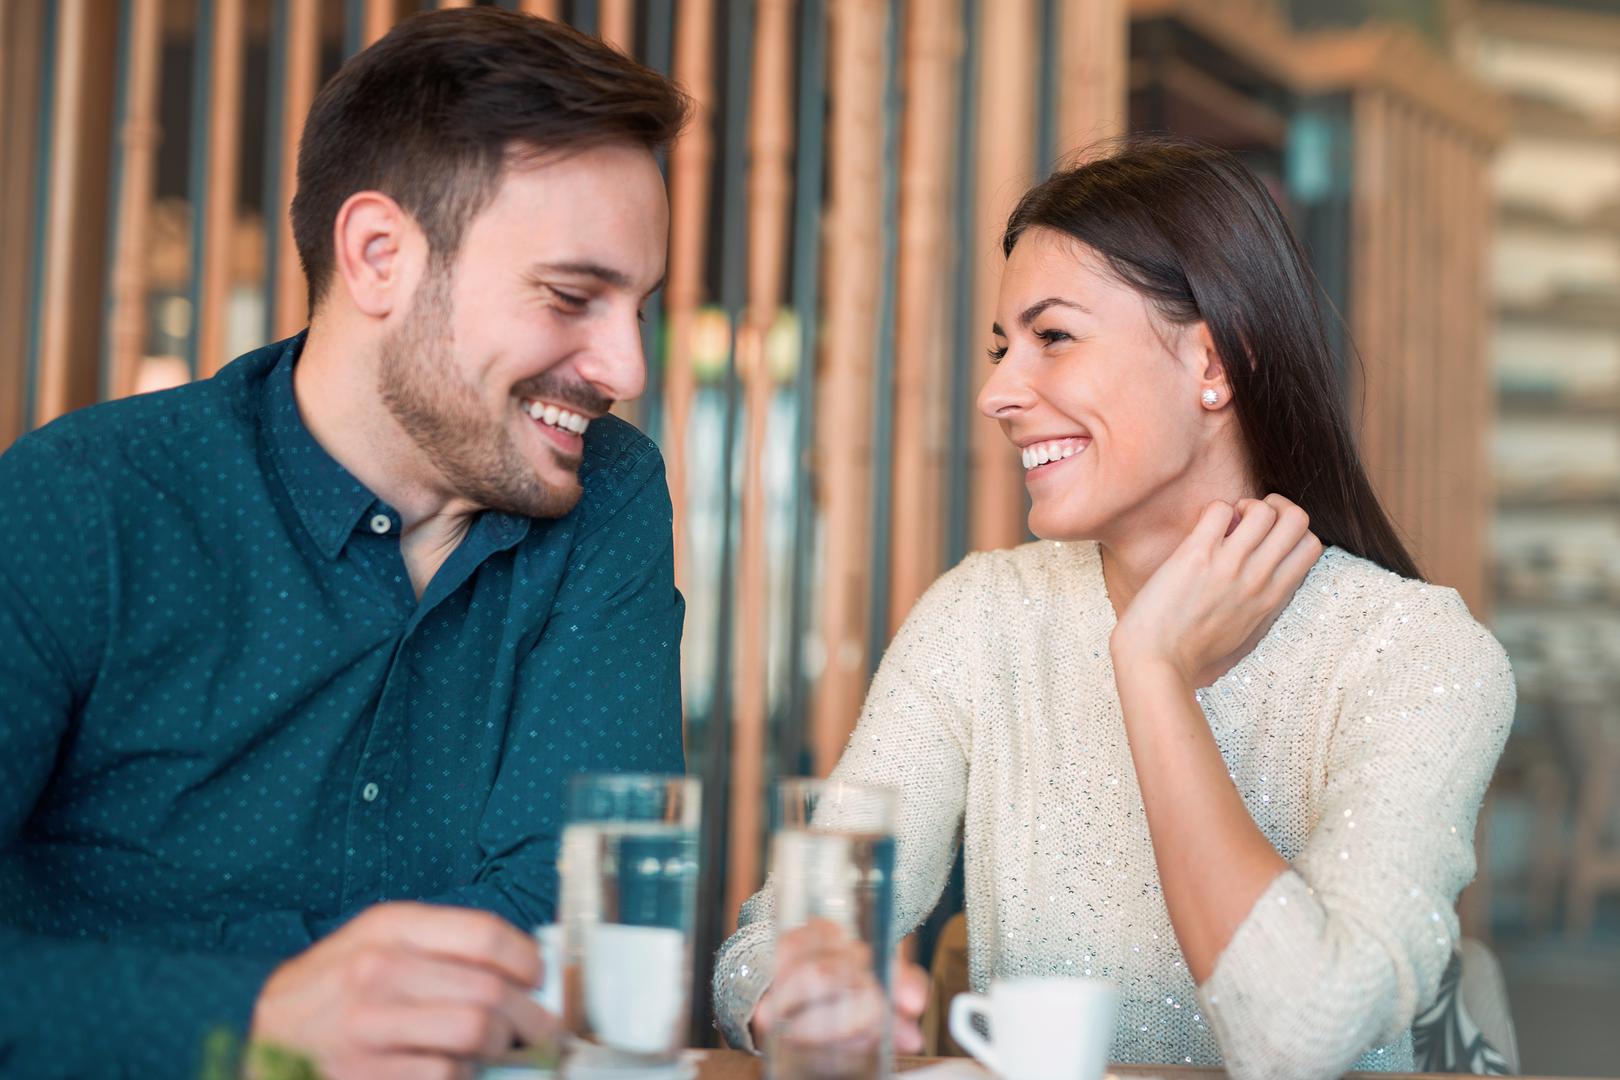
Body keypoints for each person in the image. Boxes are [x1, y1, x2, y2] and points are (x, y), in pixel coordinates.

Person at [713, 139, 1515, 1080]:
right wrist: (799, 995)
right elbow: (772, 941)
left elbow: (1304, 1034)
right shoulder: (983, 618)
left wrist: (1151, 669)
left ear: (1215, 360)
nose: (999, 393)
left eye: (1053, 337)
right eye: (1002, 348)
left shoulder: (1416, 655)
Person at [0, 9, 689, 1077]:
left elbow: (579, 910)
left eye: (638, 307)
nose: (624, 369)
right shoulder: (81, 505)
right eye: (571, 296)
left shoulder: (609, 498)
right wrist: (262, 1012)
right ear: (379, 256)